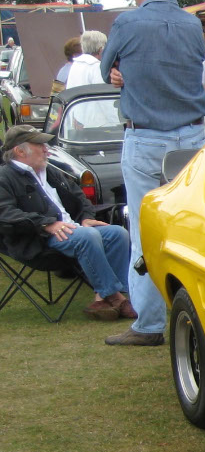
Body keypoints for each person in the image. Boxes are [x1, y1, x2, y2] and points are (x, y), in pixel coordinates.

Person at [98, 0, 205, 347]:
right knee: (189, 228)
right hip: (192, 138)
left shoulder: (128, 21)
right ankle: (195, 314)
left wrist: (120, 73)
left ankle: (148, 324)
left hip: (146, 137)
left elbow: (105, 69)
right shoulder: (193, 24)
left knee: (144, 231)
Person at [0, 124, 134, 321]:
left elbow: (79, 196)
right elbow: (5, 213)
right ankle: (118, 299)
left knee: (117, 233)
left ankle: (104, 298)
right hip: (38, 239)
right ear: (20, 151)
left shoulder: (49, 171)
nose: (46, 149)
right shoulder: (5, 177)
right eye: (39, 145)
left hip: (73, 229)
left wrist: (86, 217)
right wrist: (46, 224)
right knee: (87, 236)